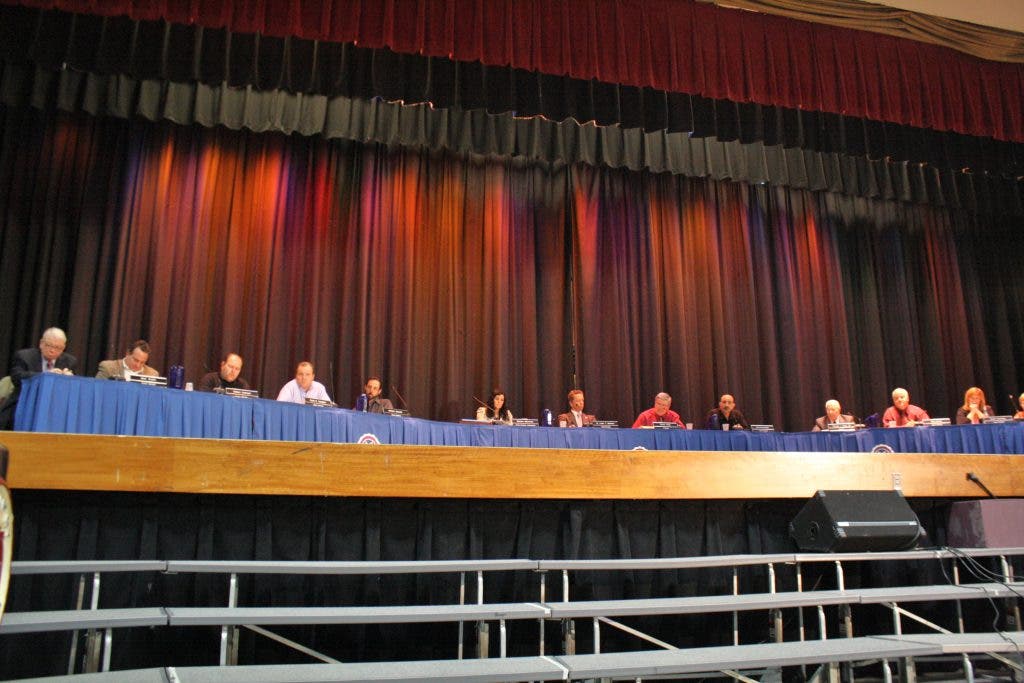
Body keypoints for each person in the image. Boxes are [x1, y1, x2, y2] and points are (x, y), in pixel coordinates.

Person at [0, 327, 78, 429]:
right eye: (49, 345)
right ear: (41, 343)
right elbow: (16, 377)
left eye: (58, 348)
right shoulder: (24, 356)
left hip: (54, 407)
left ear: (63, 348)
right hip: (24, 403)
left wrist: (69, 380)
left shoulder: (70, 361)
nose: (52, 350)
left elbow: (72, 391)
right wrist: (45, 375)